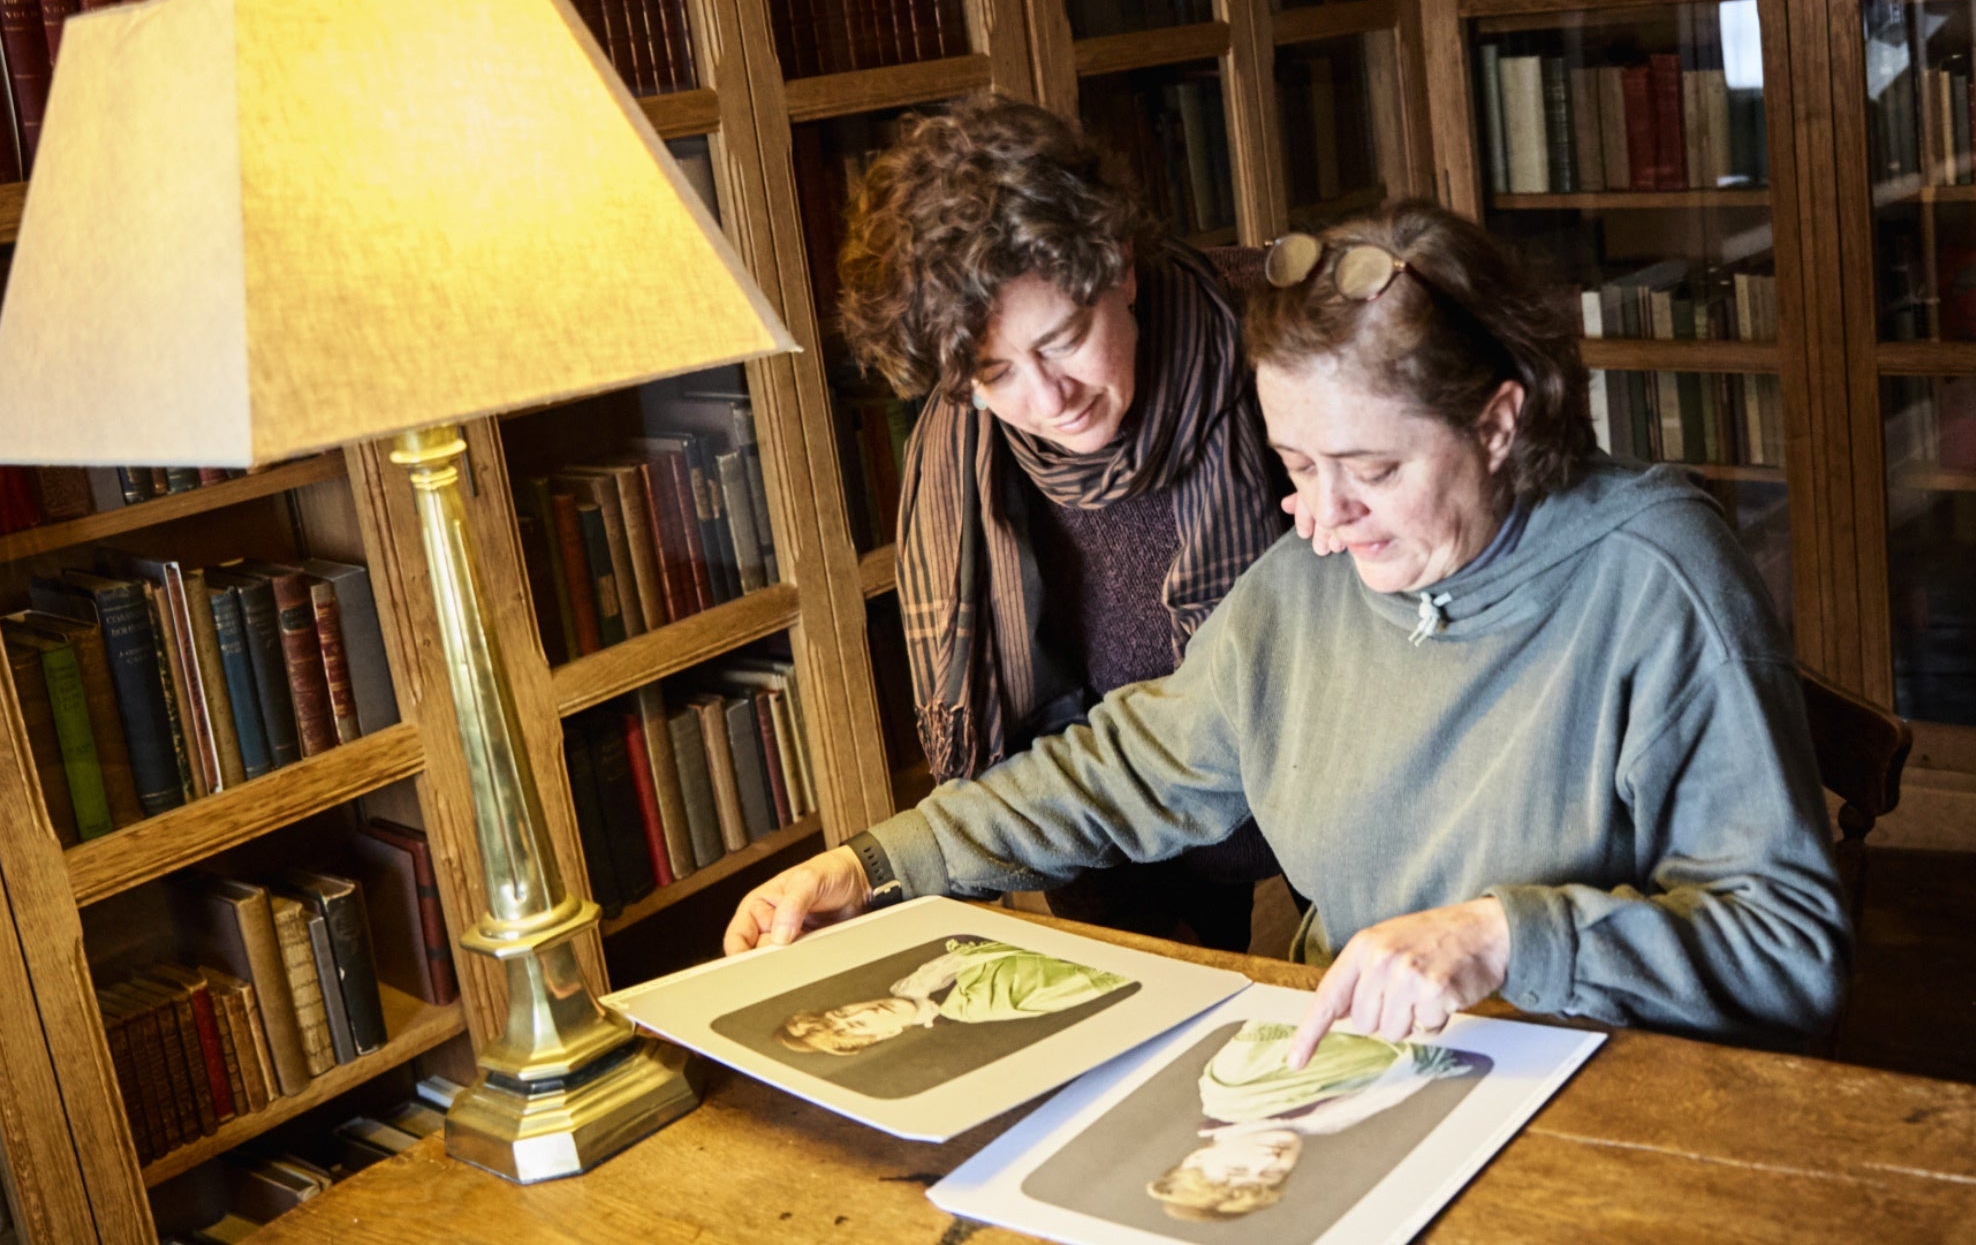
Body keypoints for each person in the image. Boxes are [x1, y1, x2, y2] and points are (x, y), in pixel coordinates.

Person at [731, 201, 1848, 1057]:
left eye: (1373, 470)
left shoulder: (1652, 579)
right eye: (1299, 466)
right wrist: (872, 863)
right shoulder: (1309, 581)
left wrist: (1503, 937)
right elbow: (1120, 770)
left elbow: (1787, 950)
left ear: (1500, 422)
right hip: (1368, 1073)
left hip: (1601, 1084)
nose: (1322, 518)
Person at [837, 96, 1288, 950]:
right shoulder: (965, 450)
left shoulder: (1285, 342)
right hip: (1100, 825)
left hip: (1329, 778)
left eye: (1066, 339)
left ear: (1120, 266)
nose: (1048, 401)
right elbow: (1058, 764)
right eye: (996, 370)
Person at [1147, 1020, 1476, 1220]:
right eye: (1272, 1175)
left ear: (1199, 1156)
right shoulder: (1324, 1123)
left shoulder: (1234, 1084)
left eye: (1239, 1170)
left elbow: (1298, 999)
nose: (1269, 1159)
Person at [772, 935, 1132, 1057]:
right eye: (854, 1026)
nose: (862, 1011)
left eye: (841, 1011)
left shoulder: (908, 977)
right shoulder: (971, 1011)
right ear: (880, 1037)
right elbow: (1092, 978)